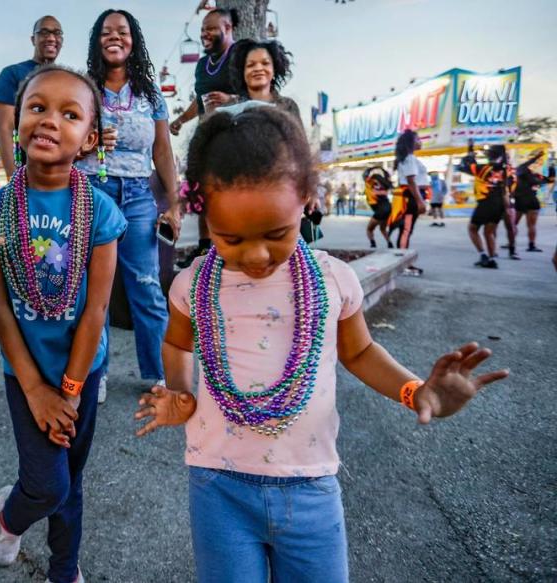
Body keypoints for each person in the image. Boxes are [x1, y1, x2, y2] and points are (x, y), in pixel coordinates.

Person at [133, 105, 508, 583]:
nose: (256, 255)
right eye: (230, 239)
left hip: (309, 487)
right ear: (205, 213)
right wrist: (181, 394)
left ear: (306, 199)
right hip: (218, 486)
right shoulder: (193, 285)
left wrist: (418, 391)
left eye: (276, 234)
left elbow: (359, 352)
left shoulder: (333, 280)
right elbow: (177, 344)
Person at [0, 65, 126, 583]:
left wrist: (72, 387)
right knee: (46, 485)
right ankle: (8, 516)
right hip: (26, 372)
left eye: (70, 114)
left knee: (71, 480)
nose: (50, 121)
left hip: (81, 369)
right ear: (17, 121)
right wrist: (38, 390)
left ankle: (65, 569)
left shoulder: (101, 212)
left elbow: (97, 311)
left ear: (88, 138)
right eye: (37, 107)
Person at [78, 9, 180, 403]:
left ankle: (158, 372)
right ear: (97, 41)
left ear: (133, 40)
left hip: (139, 195)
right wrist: (89, 140)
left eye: (122, 31)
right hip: (93, 192)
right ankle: (93, 372)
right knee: (94, 289)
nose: (114, 37)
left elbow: (163, 150)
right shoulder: (84, 89)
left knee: (146, 284)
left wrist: (173, 201)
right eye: (106, 32)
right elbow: (66, 140)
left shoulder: (150, 94)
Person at [169, 8, 240, 267]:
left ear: (228, 28)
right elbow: (200, 101)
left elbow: (260, 91)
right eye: (202, 30)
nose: (204, 34)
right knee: (204, 194)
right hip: (207, 140)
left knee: (231, 195)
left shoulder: (240, 55)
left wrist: (232, 99)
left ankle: (233, 249)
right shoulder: (201, 65)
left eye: (210, 28)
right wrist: (180, 120)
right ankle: (204, 250)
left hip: (237, 139)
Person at [0, 15, 64, 181]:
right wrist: (13, 178)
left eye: (57, 33)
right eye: (44, 32)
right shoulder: (12, 74)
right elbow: (5, 128)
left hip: (61, 174)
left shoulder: (66, 79)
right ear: (33, 39)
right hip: (27, 173)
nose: (51, 38)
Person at [459, 141, 512, 267]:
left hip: (486, 202)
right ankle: (492, 259)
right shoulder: (505, 171)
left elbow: (468, 163)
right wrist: (507, 208)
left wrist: (470, 149)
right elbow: (505, 191)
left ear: (491, 155)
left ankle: (483, 255)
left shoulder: (483, 169)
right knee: (489, 232)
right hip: (499, 204)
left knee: (472, 229)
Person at [387, 129, 426, 274]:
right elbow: (411, 181)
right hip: (410, 197)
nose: (420, 142)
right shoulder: (409, 159)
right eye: (418, 139)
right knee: (406, 230)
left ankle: (403, 263)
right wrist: (420, 201)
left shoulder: (408, 158)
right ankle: (403, 265)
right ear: (411, 142)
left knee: (406, 230)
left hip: (410, 196)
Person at [512, 150, 552, 253]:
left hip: (521, 200)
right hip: (532, 200)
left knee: (514, 224)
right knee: (531, 225)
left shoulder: (520, 171)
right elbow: (549, 180)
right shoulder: (535, 176)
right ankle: (531, 245)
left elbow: (525, 165)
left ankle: (511, 244)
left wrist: (536, 156)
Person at [362, 166, 393, 248]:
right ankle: (390, 243)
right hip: (388, 209)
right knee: (383, 229)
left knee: (369, 229)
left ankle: (373, 244)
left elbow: (364, 175)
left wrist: (372, 168)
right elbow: (387, 176)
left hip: (380, 210)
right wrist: (381, 169)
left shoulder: (370, 183)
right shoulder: (384, 184)